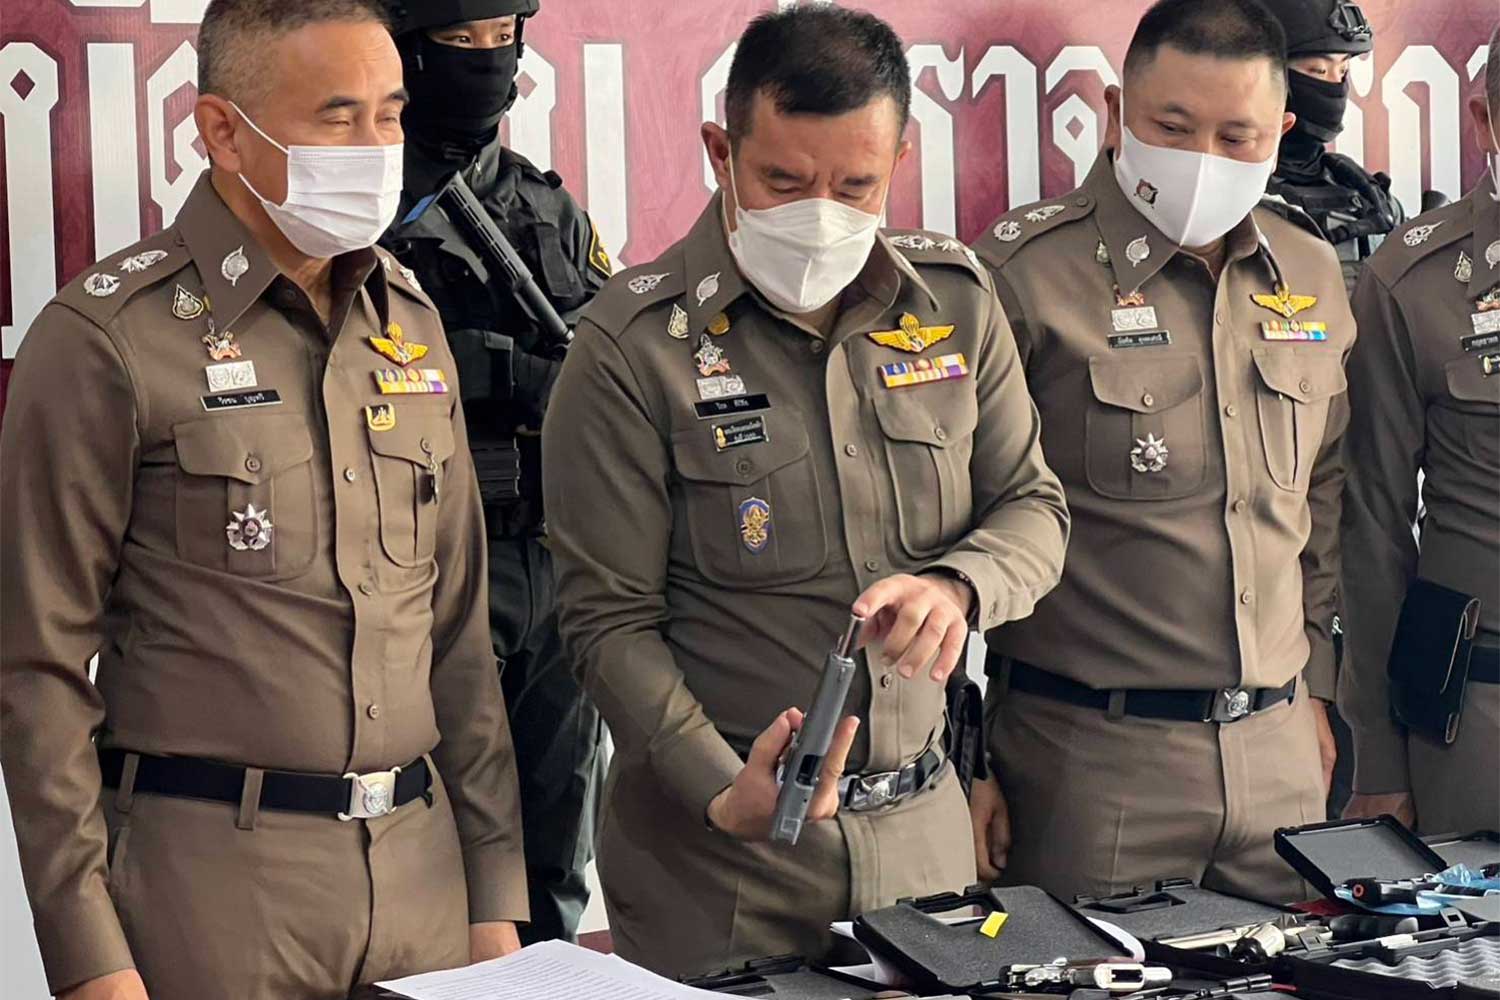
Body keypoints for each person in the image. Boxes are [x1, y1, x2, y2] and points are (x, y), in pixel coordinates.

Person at [0, 2, 527, 998]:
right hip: (212, 902)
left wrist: (493, 896)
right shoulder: (106, 339)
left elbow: (458, 641)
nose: (374, 148)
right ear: (221, 131)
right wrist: (89, 957)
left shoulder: (409, 325)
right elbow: (38, 670)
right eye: (337, 116)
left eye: (389, 113)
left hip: (422, 893)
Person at [543, 6, 1069, 977]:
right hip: (722, 863)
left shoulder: (955, 301)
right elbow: (606, 622)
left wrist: (957, 586)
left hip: (924, 841)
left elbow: (1035, 508)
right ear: (720, 151)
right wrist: (718, 787)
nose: (819, 211)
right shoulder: (631, 348)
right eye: (784, 180)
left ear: (901, 157)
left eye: (854, 184)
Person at [969, 0, 1348, 906]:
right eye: (1172, 128)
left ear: (1282, 131)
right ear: (1114, 111)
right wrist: (964, 760)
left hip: (1282, 762)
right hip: (1089, 768)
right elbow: (946, 528)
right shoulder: (1020, 279)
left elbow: (1323, 501)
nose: (1201, 160)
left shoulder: (1311, 269)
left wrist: (1322, 693)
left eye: (1236, 135)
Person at [381, 0, 607, 944]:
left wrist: (543, 376)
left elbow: (609, 367)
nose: (485, 64)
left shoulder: (542, 207)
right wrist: (467, 365)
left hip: (548, 564)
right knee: (430, 848)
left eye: (498, 42)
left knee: (554, 837)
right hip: (422, 566)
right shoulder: (359, 203)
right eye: (456, 43)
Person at [1338, 25, 1500, 837]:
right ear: (1485, 120)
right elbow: (1370, 523)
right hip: (1480, 724)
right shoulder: (1414, 280)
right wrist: (1377, 753)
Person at [1261, 0, 1404, 294]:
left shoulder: (1371, 197)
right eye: (1318, 70)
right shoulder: (1231, 196)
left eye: (1343, 70)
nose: (1334, 86)